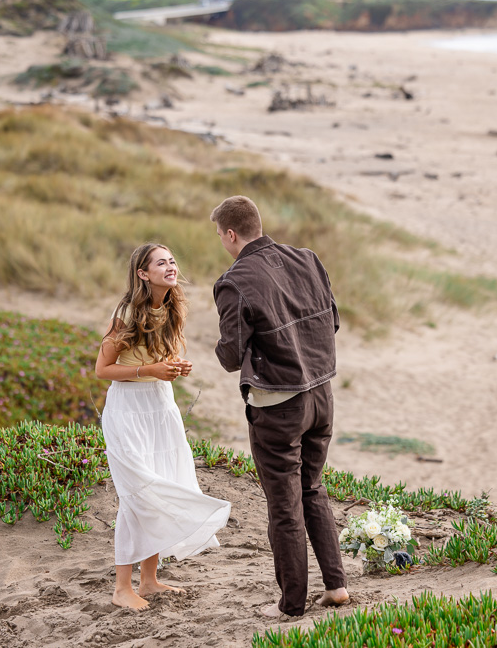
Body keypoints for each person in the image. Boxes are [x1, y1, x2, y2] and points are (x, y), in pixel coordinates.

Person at [210, 195, 350, 618]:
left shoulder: (233, 281)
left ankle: (291, 606)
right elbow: (334, 321)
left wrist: (221, 349)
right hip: (322, 394)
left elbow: (232, 354)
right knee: (313, 488)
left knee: (283, 505)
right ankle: (337, 586)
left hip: (278, 404)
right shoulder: (308, 258)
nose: (221, 241)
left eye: (220, 235)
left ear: (231, 234)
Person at [95, 242, 231, 611]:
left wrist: (173, 365)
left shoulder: (172, 306)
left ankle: (149, 580)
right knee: (138, 494)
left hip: (161, 405)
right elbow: (103, 369)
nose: (171, 267)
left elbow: (158, 358)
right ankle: (122, 588)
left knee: (162, 485)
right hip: (128, 409)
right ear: (143, 273)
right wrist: (149, 370)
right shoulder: (125, 312)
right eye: (161, 263)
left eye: (172, 261)